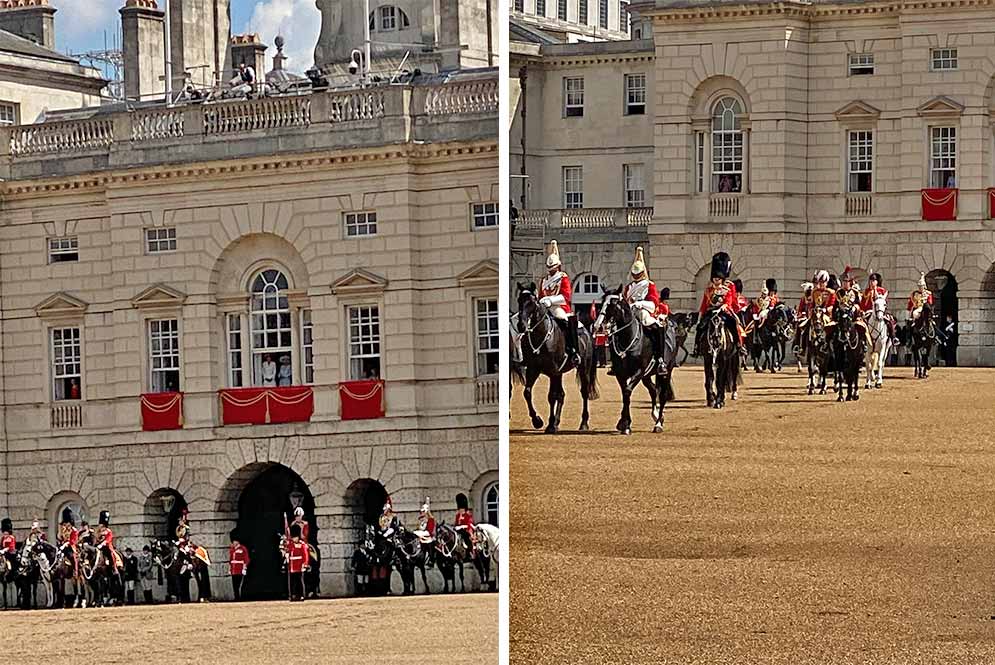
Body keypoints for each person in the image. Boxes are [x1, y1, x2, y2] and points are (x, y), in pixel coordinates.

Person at [622, 247, 670, 374]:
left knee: (656, 328)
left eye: (638, 274)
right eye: (634, 274)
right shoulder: (628, 287)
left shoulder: (649, 285)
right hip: (631, 313)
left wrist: (640, 303)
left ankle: (660, 359)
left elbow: (654, 304)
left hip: (644, 312)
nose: (636, 276)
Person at [538, 240, 580, 366]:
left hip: (558, 306)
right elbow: (540, 295)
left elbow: (566, 296)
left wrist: (550, 300)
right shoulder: (544, 280)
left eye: (553, 268)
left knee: (563, 319)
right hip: (545, 306)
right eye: (549, 268)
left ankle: (573, 350)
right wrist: (541, 300)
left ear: (558, 266)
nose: (551, 270)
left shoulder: (563, 277)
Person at [694, 252, 743, 356]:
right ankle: (697, 346)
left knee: (733, 324)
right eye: (715, 278)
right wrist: (701, 314)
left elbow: (729, 300)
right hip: (711, 312)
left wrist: (725, 306)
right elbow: (704, 304)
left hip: (723, 312)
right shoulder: (708, 290)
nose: (716, 280)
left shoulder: (727, 288)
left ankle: (738, 345)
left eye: (718, 278)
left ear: (722, 278)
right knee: (700, 327)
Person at [286, 523, 309, 602]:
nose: (294, 539)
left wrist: (304, 564)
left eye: (295, 537)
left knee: (300, 581)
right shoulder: (290, 544)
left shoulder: (302, 545)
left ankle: (301, 595)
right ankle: (292, 595)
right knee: (292, 582)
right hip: (292, 565)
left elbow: (305, 555)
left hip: (299, 565)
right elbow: (288, 552)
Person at [57, 507, 80, 578]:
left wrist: (65, 544)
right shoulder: (63, 529)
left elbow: (72, 541)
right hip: (62, 547)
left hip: (70, 548)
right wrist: (60, 533)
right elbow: (59, 538)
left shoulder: (74, 530)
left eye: (67, 523)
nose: (66, 524)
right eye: (65, 523)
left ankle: (75, 571)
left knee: (72, 557)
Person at [229, 532, 250, 602]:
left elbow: (246, 559)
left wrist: (244, 568)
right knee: (234, 585)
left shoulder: (243, 548)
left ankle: (239, 597)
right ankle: (236, 597)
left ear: (238, 541)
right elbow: (231, 559)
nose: (234, 542)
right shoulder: (232, 549)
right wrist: (229, 568)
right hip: (233, 569)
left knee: (238, 584)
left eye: (235, 541)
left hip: (240, 569)